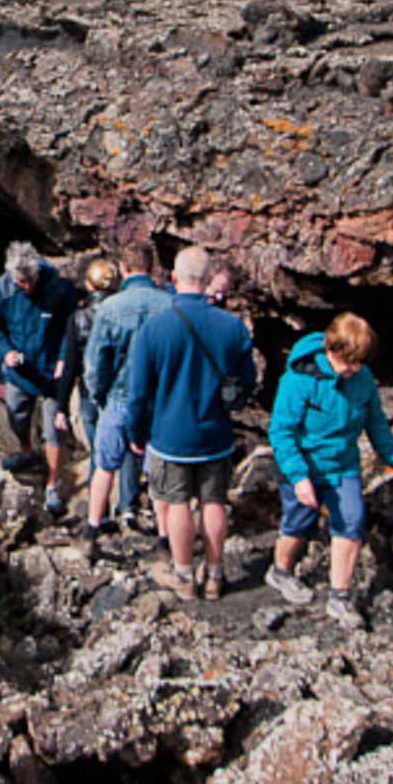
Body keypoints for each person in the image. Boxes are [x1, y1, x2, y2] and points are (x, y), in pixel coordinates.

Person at [264, 313, 393, 630]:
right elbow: (281, 432)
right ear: (330, 351)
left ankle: (340, 596)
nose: (353, 371)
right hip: (304, 463)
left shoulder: (362, 379)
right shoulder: (299, 380)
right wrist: (299, 478)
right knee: (298, 523)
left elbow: (375, 420)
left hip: (343, 465)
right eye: (347, 364)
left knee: (352, 522)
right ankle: (280, 571)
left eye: (358, 364)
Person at [124, 246, 256, 601]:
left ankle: (184, 576)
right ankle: (214, 575)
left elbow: (136, 393)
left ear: (174, 279)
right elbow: (248, 379)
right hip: (215, 432)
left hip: (169, 434)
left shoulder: (154, 329)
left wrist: (135, 432)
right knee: (214, 502)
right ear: (209, 278)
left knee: (177, 502)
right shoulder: (232, 327)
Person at [79, 245, 175, 546]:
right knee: (159, 471)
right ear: (152, 267)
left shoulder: (110, 307)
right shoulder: (172, 305)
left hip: (119, 398)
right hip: (161, 403)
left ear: (123, 269)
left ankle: (94, 525)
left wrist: (99, 396)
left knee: (105, 464)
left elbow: (95, 363)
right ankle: (164, 534)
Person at [0, 241, 79, 514]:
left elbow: (72, 329)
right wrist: (5, 352)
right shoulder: (3, 290)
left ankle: (53, 482)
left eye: (29, 281)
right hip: (19, 370)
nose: (25, 286)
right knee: (17, 416)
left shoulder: (59, 289)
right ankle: (26, 450)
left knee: (54, 431)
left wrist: (64, 358)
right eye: (20, 281)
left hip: (51, 371)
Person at [55, 257, 120, 491]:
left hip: (89, 388)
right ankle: (125, 504)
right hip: (119, 389)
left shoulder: (79, 317)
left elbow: (70, 365)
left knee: (98, 451)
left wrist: (61, 406)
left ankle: (97, 500)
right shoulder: (122, 313)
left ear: (89, 285)